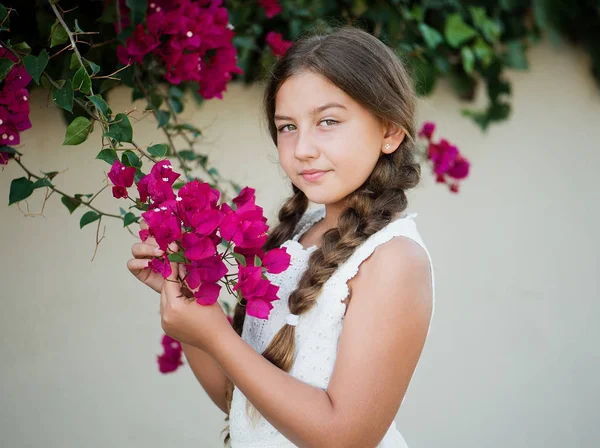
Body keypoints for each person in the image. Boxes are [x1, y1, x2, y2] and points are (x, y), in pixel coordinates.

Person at [128, 25, 435, 448]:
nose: (302, 147)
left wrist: (217, 334)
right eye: (287, 126)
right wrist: (189, 298)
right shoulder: (297, 240)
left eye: (328, 121)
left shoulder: (392, 259)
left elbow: (346, 437)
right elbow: (241, 401)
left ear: (389, 131)